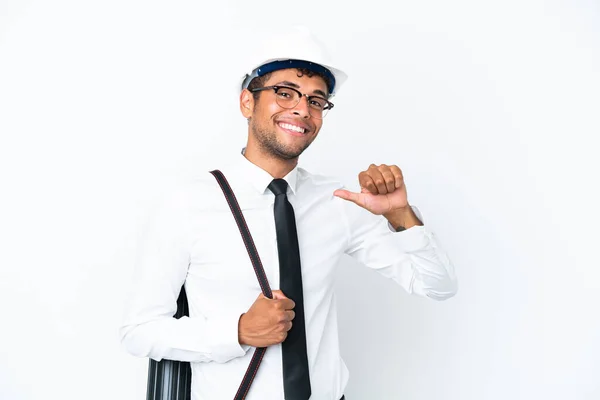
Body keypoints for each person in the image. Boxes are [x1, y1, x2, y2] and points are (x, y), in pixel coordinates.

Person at [119, 26, 457, 400]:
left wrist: (401, 218)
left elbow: (437, 286)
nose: (302, 108)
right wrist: (238, 331)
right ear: (247, 102)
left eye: (316, 100)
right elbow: (140, 330)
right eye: (285, 93)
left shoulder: (340, 201)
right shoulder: (187, 204)